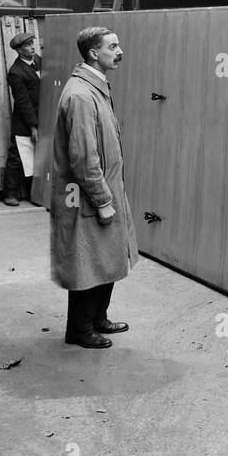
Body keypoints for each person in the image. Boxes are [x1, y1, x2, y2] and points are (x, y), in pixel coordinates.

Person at [48, 26, 138, 349]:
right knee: (88, 262)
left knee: (108, 258)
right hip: (90, 196)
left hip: (105, 189)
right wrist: (102, 199)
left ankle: (98, 317)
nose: (120, 51)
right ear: (92, 53)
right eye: (112, 46)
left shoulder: (95, 87)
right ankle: (79, 329)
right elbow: (83, 157)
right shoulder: (81, 95)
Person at [2, 30, 41, 206]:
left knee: (39, 156)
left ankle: (36, 193)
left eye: (33, 43)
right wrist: (33, 126)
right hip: (24, 121)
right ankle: (9, 194)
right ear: (19, 50)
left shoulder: (39, 61)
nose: (33, 47)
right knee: (16, 157)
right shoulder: (16, 72)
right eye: (28, 45)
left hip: (41, 117)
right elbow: (23, 102)